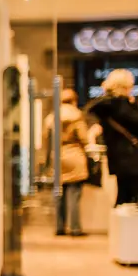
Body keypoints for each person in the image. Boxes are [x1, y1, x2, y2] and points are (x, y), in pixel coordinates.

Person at [87, 70, 138, 207]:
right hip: (132, 158)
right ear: (124, 86)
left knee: (124, 197)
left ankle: (121, 228)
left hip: (120, 158)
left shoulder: (107, 106)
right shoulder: (119, 106)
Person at [45, 89, 90, 236]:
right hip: (74, 155)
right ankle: (75, 228)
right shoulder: (77, 116)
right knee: (74, 194)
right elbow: (84, 138)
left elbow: (46, 139)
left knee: (58, 195)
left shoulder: (52, 117)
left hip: (57, 157)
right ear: (74, 100)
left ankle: (59, 227)